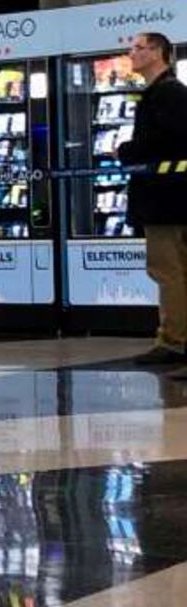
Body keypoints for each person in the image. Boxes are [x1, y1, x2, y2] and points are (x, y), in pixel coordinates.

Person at [115, 34, 187, 366]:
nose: (131, 53)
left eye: (138, 48)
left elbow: (167, 140)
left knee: (167, 270)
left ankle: (174, 340)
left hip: (166, 199)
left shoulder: (167, 94)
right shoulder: (166, 92)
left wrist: (127, 151)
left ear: (158, 52)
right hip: (171, 197)